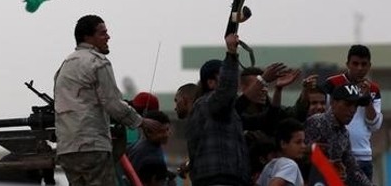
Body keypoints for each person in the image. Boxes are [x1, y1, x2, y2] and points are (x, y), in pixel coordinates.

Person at [54, 14, 162, 186]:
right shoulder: (98, 62)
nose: (108, 37)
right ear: (88, 37)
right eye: (102, 33)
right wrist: (141, 121)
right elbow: (112, 103)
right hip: (92, 146)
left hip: (67, 149)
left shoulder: (65, 65)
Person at [185, 33, 250, 186]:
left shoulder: (212, 108)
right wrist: (231, 53)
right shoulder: (209, 103)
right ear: (211, 83)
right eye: (223, 78)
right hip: (219, 179)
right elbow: (227, 91)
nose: (233, 83)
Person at [322, 44, 382, 180]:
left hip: (362, 155)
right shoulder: (332, 83)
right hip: (336, 155)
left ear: (369, 66)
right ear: (347, 64)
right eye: (355, 64)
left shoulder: (373, 89)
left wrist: (367, 100)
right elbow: (323, 115)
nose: (359, 68)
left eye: (363, 64)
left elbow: (375, 125)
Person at [304, 83, 372, 186]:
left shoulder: (344, 133)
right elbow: (300, 158)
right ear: (333, 102)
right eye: (348, 104)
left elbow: (353, 170)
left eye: (356, 106)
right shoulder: (316, 123)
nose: (353, 110)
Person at [127, 110, 174, 185]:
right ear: (148, 132)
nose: (166, 135)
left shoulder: (135, 147)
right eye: (161, 131)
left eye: (167, 129)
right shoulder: (152, 158)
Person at [255, 118, 306, 186]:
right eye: (298, 142)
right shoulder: (290, 165)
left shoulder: (269, 165)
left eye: (303, 142)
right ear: (283, 144)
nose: (303, 146)